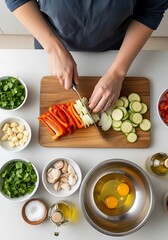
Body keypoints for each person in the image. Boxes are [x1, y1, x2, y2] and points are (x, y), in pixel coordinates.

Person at [5, 0, 168, 113]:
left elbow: (150, 10)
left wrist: (117, 73)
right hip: (50, 42)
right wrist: (53, 48)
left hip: (114, 50)